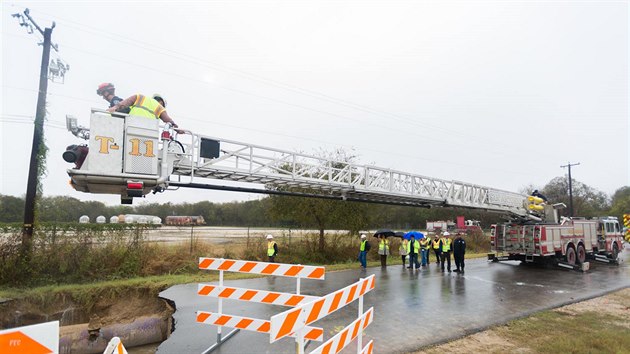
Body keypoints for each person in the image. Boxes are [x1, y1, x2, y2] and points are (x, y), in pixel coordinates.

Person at [107, 93, 179, 128]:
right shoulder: (159, 107)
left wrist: (115, 108)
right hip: (148, 131)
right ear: (161, 102)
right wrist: (175, 127)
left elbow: (125, 103)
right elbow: (168, 120)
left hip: (131, 126)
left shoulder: (140, 97)